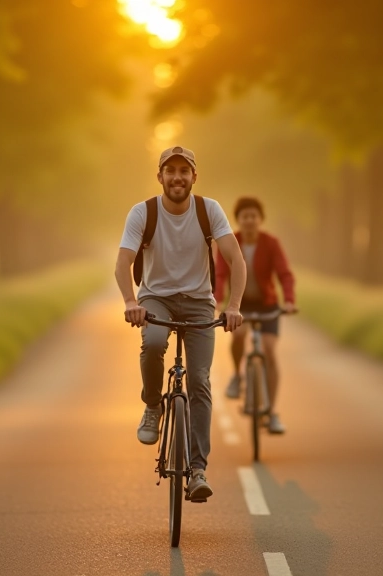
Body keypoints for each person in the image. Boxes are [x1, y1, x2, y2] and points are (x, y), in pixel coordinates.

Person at [115, 146, 246, 503]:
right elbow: (123, 261)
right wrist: (131, 301)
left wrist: (233, 306)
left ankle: (198, 469)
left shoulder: (209, 210)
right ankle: (153, 405)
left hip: (199, 302)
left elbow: (235, 258)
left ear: (193, 177)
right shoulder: (143, 213)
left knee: (201, 380)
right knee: (154, 342)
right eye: (170, 171)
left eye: (183, 171)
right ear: (159, 176)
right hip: (156, 298)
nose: (177, 177)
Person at [214, 197, 296, 435]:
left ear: (261, 219)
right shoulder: (230, 242)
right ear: (238, 220)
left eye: (254, 216)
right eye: (244, 216)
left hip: (268, 305)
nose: (249, 220)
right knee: (238, 335)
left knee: (269, 351)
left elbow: (284, 274)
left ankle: (270, 412)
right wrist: (217, 299)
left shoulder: (271, 243)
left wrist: (289, 300)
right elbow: (220, 273)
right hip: (239, 304)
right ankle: (237, 376)